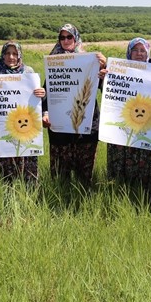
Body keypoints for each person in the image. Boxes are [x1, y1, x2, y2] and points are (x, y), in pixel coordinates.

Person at [41, 24, 106, 187]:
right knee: (60, 175)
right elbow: (48, 91)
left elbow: (103, 88)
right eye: (62, 37)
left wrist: (104, 67)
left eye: (69, 36)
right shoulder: (54, 61)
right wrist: (45, 112)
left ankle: (84, 197)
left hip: (86, 124)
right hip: (60, 126)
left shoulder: (91, 60)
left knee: (84, 173)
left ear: (76, 38)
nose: (65, 40)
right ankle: (60, 194)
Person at [0, 41, 45, 185]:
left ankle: (30, 193)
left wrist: (41, 94)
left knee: (27, 167)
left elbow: (36, 99)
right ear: (3, 54)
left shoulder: (29, 72)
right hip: (1, 129)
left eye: (15, 53)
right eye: (7, 53)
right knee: (3, 173)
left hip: (25, 127)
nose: (11, 57)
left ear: (20, 55)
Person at [106, 37, 151, 186]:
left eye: (143, 50)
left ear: (147, 53)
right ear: (129, 52)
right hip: (121, 127)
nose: (139, 54)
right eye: (135, 50)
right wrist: (105, 79)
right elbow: (109, 94)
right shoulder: (117, 71)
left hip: (143, 126)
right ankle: (117, 188)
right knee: (120, 159)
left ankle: (140, 190)